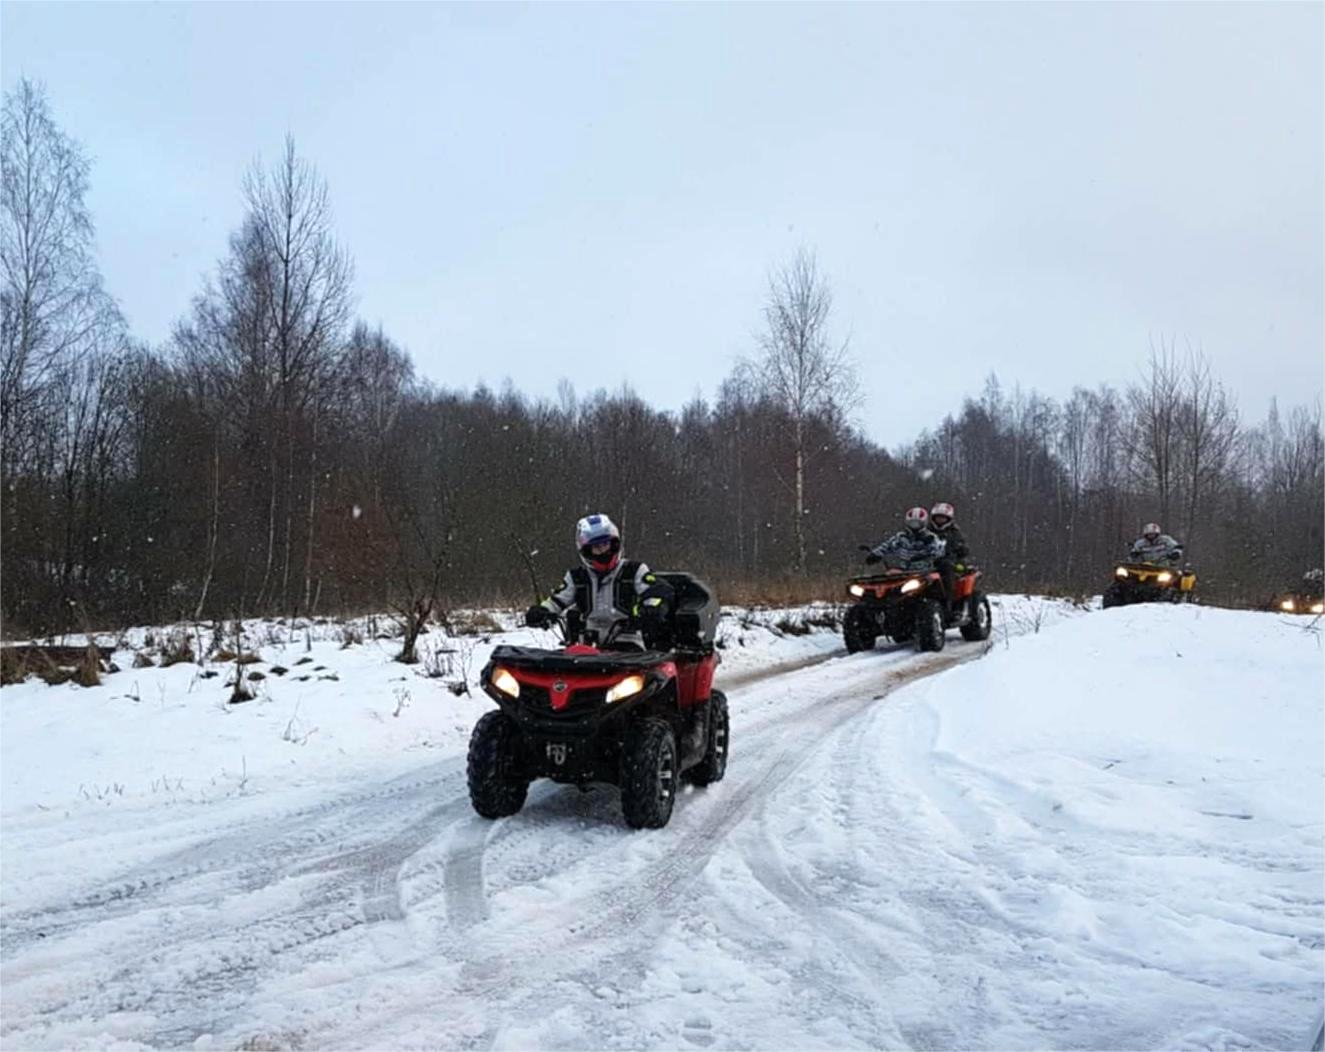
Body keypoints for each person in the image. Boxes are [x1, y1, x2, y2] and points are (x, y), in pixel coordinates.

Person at [525, 513, 674, 649]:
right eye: (596, 547)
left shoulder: (634, 570)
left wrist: (651, 609)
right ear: (586, 551)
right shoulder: (577, 577)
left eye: (605, 545)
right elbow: (558, 600)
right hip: (587, 646)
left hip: (628, 644)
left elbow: (656, 591)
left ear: (614, 544)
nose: (603, 551)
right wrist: (542, 611)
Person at [865, 506, 946, 569]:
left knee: (935, 583)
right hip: (901, 571)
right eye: (912, 523)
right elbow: (886, 546)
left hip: (923, 572)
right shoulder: (900, 537)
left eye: (918, 523)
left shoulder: (931, 538)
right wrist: (875, 554)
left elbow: (939, 551)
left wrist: (927, 556)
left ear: (924, 523)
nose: (915, 525)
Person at [929, 501, 970, 612]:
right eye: (938, 518)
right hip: (927, 563)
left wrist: (959, 551)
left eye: (943, 518)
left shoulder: (954, 533)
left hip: (949, 563)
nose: (940, 520)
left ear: (948, 519)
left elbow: (963, 549)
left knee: (947, 571)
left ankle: (948, 603)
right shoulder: (926, 532)